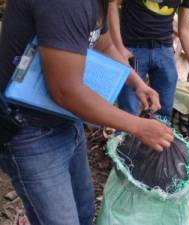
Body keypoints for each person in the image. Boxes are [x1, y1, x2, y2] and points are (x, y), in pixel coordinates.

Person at [0, 0, 173, 225]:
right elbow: (65, 91)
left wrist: (137, 82)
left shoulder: (97, 3)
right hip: (28, 129)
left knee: (83, 210)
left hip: (65, 118)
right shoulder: (67, 4)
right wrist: (137, 126)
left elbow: (104, 45)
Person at [108, 0, 189, 119]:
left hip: (164, 51)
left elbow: (185, 29)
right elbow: (113, 4)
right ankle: (124, 136)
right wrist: (118, 47)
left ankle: (157, 134)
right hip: (132, 48)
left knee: (163, 111)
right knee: (129, 111)